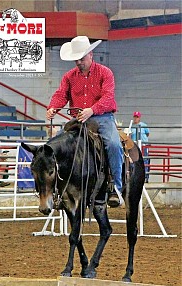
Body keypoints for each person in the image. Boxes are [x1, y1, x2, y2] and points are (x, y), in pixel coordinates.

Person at [46, 36, 123, 207]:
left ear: (91, 55)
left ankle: (115, 187)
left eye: (81, 58)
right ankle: (59, 190)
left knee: (113, 144)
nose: (79, 62)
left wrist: (92, 110)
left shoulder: (105, 73)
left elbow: (108, 97)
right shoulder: (69, 77)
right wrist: (53, 107)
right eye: (76, 59)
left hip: (102, 117)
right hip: (79, 118)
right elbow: (61, 95)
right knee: (54, 147)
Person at [131, 111, 150, 182]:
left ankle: (145, 177)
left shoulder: (143, 125)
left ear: (139, 118)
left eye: (137, 117)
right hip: (135, 146)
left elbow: (147, 134)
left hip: (143, 145)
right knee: (135, 161)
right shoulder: (131, 126)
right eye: (135, 117)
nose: (135, 118)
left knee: (145, 160)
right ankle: (135, 176)